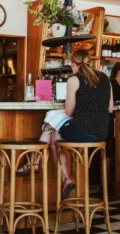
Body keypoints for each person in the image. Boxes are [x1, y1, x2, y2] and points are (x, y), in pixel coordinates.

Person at [17, 49, 113, 200]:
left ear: (73, 64)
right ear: (90, 62)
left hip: (82, 130)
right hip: (101, 133)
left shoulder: (74, 79)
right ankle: (35, 163)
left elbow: (69, 112)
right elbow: (110, 108)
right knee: (51, 127)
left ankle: (62, 177)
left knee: (53, 135)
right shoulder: (105, 78)